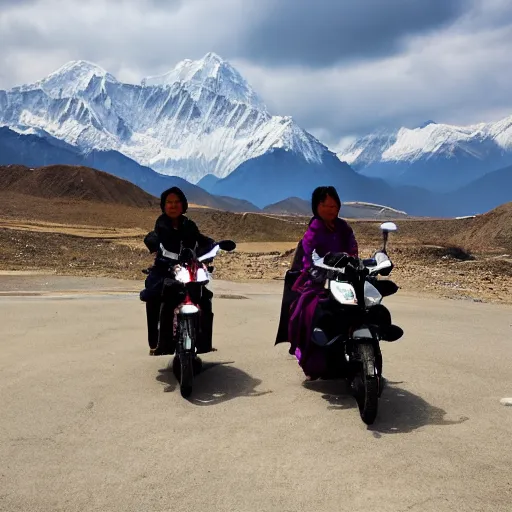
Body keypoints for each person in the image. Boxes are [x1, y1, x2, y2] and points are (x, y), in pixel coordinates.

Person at [287, 186, 358, 380]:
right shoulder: (314, 229)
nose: (331, 210)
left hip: (344, 278)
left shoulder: (344, 227)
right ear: (316, 206)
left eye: (334, 206)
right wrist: (316, 271)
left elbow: (352, 249)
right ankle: (316, 359)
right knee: (310, 310)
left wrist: (351, 262)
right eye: (326, 205)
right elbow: (308, 255)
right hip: (317, 280)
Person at [140, 186, 215, 356]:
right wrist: (151, 241)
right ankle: (157, 341)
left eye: (176, 202)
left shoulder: (189, 225)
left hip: (187, 269)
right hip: (164, 269)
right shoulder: (161, 225)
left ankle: (204, 343)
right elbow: (154, 237)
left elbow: (201, 239)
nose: (173, 206)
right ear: (164, 206)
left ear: (183, 205)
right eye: (169, 203)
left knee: (205, 297)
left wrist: (213, 246)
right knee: (153, 294)